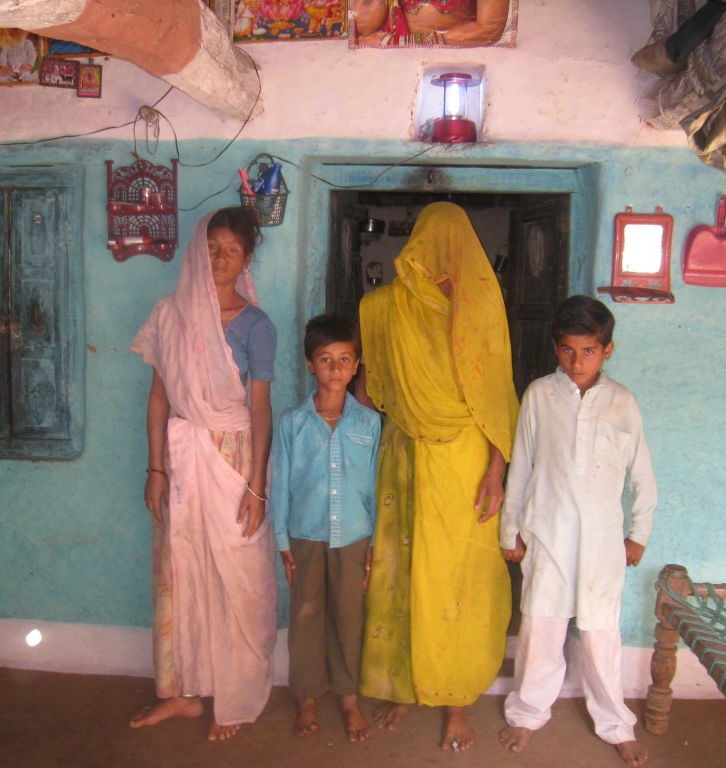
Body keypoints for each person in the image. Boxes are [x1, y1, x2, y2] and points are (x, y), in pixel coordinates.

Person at [356, 202, 520, 751]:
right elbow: (372, 390)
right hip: (406, 454)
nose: (442, 262)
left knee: (463, 582)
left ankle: (456, 701)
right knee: (404, 574)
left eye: (452, 251)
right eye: (433, 248)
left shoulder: (480, 307)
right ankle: (407, 684)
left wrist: (497, 472)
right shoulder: (382, 307)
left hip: (469, 463)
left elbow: (497, 398)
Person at [128, 207, 278, 741]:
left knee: (239, 578)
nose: (218, 258)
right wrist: (155, 469)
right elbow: (159, 398)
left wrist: (258, 484)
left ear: (246, 259)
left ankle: (234, 695)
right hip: (183, 462)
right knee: (183, 572)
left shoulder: (256, 325)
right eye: (211, 246)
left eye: (231, 250)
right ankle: (188, 694)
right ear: (198, 249)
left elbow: (260, 408)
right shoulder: (170, 314)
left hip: (234, 461)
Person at [498, 295, 657, 767]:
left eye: (588, 351)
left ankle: (615, 724)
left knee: (600, 636)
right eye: (567, 350)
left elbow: (642, 475)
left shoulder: (622, 402)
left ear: (607, 350)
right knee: (540, 631)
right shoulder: (539, 395)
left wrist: (638, 534)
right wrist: (511, 530)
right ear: (555, 348)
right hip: (547, 534)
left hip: (602, 544)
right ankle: (527, 713)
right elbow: (521, 466)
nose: (577, 361)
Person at [269, 313, 381, 742]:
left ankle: (348, 698)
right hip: (306, 536)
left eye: (344, 359)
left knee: (350, 618)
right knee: (306, 617)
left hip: (353, 537)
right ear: (309, 365)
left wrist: (374, 542)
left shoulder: (369, 425)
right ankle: (307, 696)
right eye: (325, 359)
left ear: (357, 366)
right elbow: (280, 485)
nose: (335, 369)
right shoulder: (292, 423)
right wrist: (282, 541)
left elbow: (373, 487)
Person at [352, 0, 510, 46]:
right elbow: (364, 29)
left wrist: (396, 42)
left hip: (457, 60)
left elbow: (490, 31)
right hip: (390, 66)